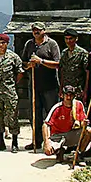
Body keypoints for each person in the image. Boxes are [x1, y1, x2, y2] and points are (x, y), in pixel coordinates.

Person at [21, 23, 61, 151]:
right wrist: (29, 65)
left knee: (51, 114)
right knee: (34, 115)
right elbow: (24, 63)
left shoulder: (52, 44)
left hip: (50, 86)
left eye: (38, 30)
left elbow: (57, 63)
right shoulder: (29, 44)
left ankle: (52, 141)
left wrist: (41, 61)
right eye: (34, 30)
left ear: (44, 31)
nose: (36, 32)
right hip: (34, 86)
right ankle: (36, 141)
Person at [0, 33, 23, 153]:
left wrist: (11, 84)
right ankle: (0, 142)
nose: (0, 45)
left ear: (7, 44)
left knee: (12, 116)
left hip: (9, 92)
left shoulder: (13, 57)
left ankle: (14, 142)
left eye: (3, 43)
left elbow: (20, 72)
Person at [41, 84, 91, 166]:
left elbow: (82, 122)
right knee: (48, 151)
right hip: (58, 135)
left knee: (88, 131)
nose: (68, 98)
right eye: (66, 95)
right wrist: (46, 142)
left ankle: (78, 155)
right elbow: (45, 125)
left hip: (72, 134)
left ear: (74, 96)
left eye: (71, 95)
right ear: (62, 95)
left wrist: (84, 123)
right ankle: (59, 152)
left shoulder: (78, 105)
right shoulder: (57, 108)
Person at [58, 28, 88, 93]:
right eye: (66, 38)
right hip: (66, 89)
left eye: (70, 38)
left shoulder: (82, 53)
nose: (68, 41)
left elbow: (87, 73)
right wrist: (60, 88)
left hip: (78, 89)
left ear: (76, 39)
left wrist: (85, 91)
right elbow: (62, 71)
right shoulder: (64, 53)